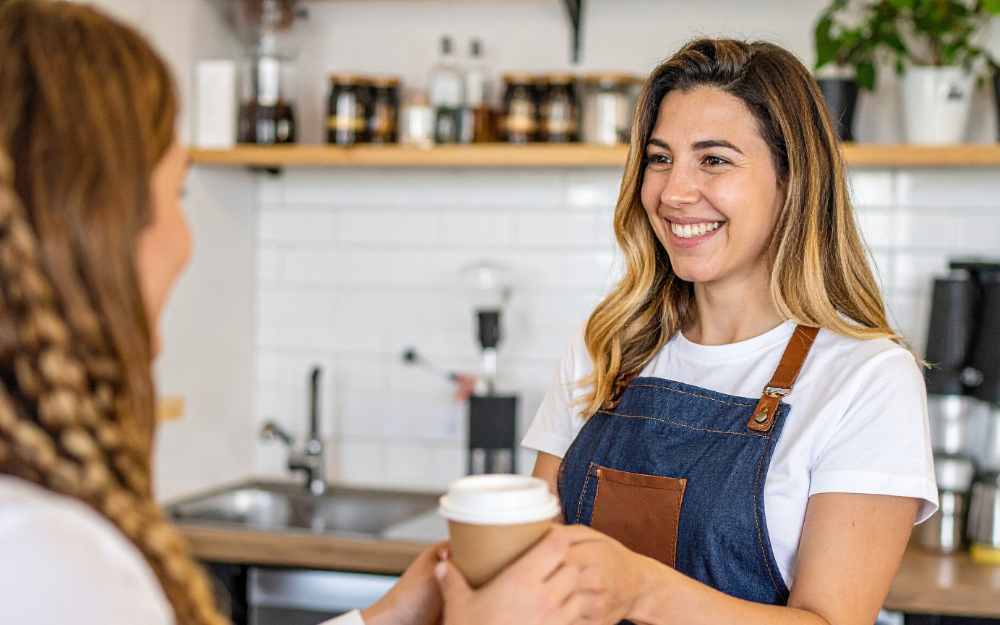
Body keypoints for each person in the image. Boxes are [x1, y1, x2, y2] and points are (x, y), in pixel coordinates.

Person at [0, 2, 595, 625]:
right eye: (176, 194)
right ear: (95, 224)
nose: (187, 237)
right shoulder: (43, 555)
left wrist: (383, 619)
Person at [524, 39, 939, 625]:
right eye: (660, 158)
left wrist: (642, 589)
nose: (673, 193)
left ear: (792, 180)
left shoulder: (866, 378)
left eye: (714, 160)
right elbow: (530, 574)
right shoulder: (608, 345)